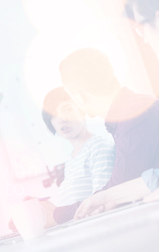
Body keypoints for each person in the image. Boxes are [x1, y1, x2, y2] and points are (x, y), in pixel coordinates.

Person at [40, 47, 159, 224]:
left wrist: (57, 215)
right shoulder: (131, 112)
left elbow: (118, 190)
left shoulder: (134, 115)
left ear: (77, 95)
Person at [73, 0, 159, 219]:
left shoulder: (135, 113)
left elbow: (128, 178)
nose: (144, 38)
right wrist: (109, 197)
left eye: (142, 25)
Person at [42, 87, 115, 206]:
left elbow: (102, 201)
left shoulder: (98, 146)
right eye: (54, 114)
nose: (62, 119)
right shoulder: (70, 159)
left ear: (81, 111)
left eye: (68, 109)